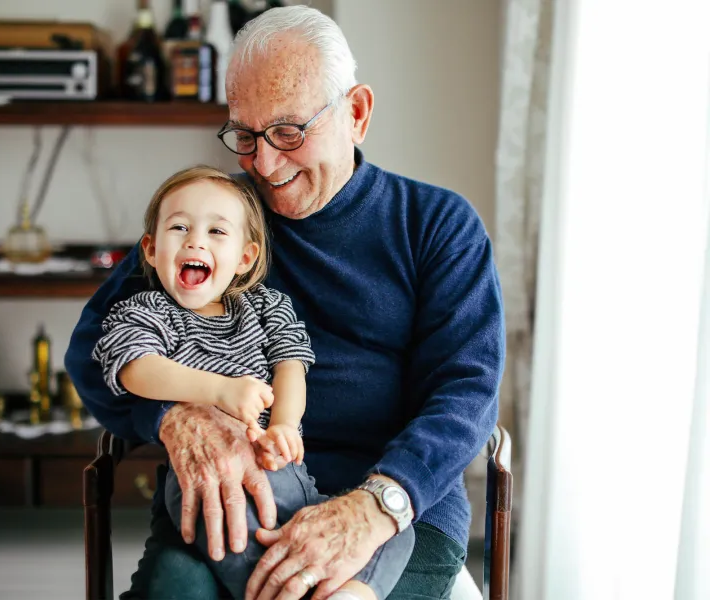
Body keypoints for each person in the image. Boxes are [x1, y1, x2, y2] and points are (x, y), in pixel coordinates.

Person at [65, 5, 505, 600]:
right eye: (245, 136)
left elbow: (467, 391)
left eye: (289, 133)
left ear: (356, 113)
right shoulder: (215, 221)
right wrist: (173, 415)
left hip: (392, 506)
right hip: (232, 493)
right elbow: (94, 348)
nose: (264, 165)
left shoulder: (436, 224)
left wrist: (375, 507)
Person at [90, 165, 414, 600]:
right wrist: (219, 390)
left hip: (288, 474)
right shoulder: (147, 311)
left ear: (245, 257)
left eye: (216, 231)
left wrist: (284, 424)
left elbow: (291, 366)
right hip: (208, 480)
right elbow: (136, 368)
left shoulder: (265, 306)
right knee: (235, 537)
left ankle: (352, 594)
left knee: (396, 531)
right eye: (179, 227)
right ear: (150, 249)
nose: (195, 241)